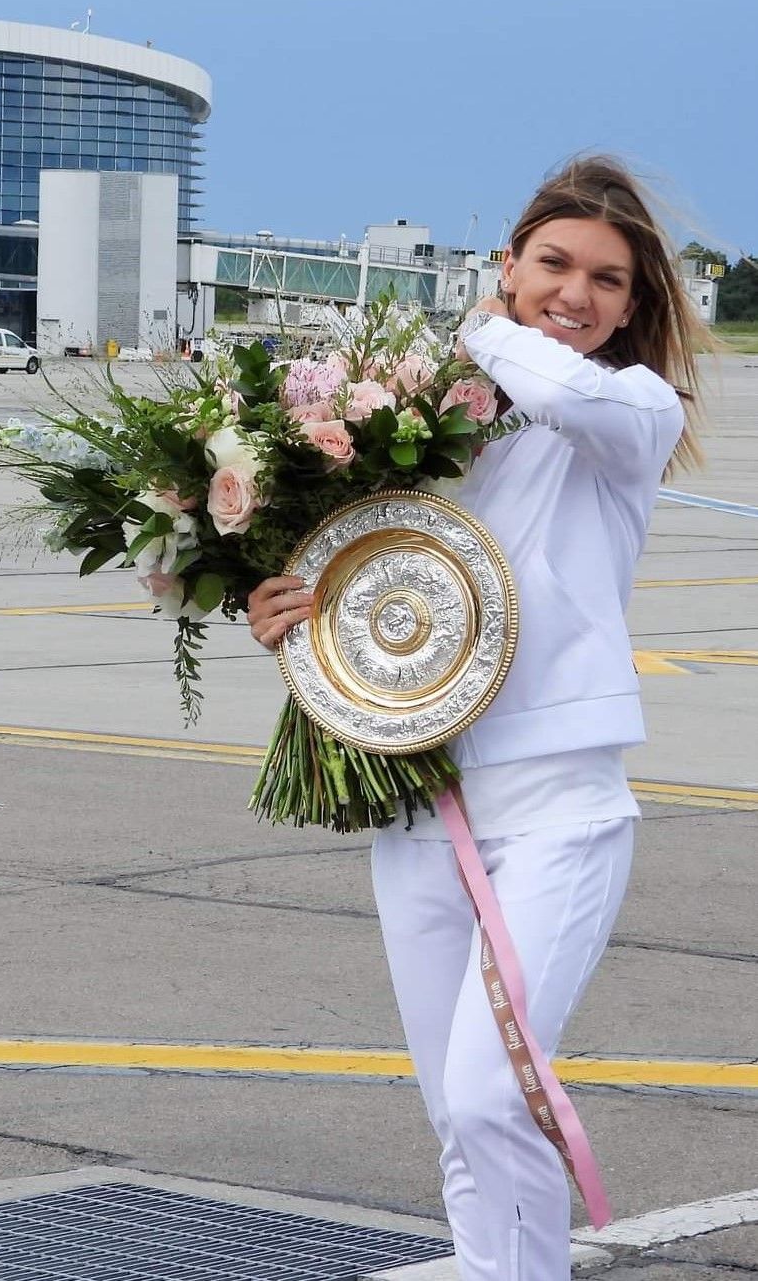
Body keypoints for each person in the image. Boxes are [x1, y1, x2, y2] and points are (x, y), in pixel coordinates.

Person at [247, 156, 708, 1280]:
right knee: (462, 1119)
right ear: (512, 258)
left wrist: (476, 323)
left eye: (608, 280)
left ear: (634, 306)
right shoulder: (426, 429)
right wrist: (281, 611)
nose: (576, 292)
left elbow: (560, 387)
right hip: (420, 807)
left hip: (558, 810)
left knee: (489, 1090)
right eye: (552, 263)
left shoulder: (626, 414)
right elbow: (374, 584)